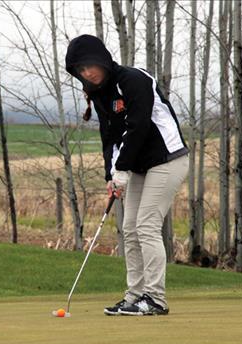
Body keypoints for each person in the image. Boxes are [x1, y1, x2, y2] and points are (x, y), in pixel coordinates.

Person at [65, 34, 189, 316]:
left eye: (89, 66)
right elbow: (109, 137)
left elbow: (138, 126)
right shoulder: (98, 95)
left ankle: (155, 298)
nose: (87, 73)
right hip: (139, 165)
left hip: (168, 159)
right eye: (80, 70)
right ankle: (134, 296)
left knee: (145, 225)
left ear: (102, 59)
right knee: (130, 229)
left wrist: (122, 168)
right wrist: (111, 174)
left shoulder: (133, 80)